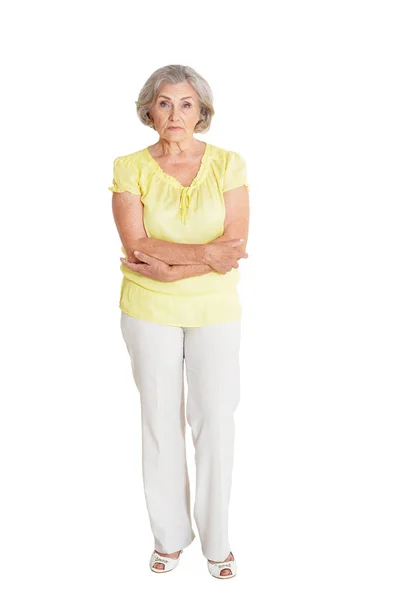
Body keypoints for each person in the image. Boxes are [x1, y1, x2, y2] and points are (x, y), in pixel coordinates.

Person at [108, 64, 250, 579]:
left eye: (186, 103)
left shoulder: (229, 164)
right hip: (149, 308)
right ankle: (168, 537)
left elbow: (233, 246)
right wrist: (197, 259)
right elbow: (137, 244)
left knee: (215, 419)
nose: (175, 113)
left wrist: (173, 268)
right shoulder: (129, 166)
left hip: (214, 310)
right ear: (149, 110)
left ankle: (218, 542)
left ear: (202, 111)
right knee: (161, 420)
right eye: (164, 103)